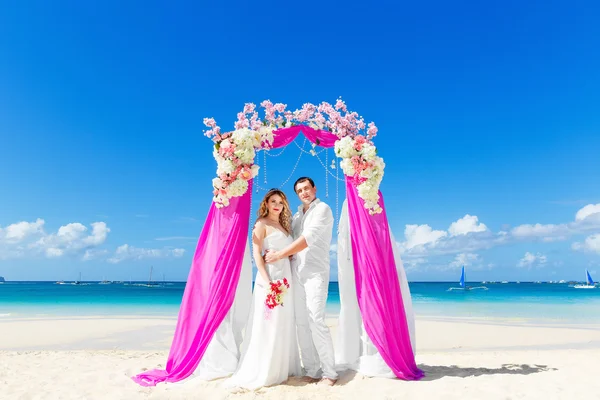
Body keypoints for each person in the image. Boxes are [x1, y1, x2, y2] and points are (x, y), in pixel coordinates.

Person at [224, 189, 302, 390]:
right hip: (270, 278)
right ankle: (265, 369)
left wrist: (288, 256)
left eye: (280, 202)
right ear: (266, 204)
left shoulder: (284, 227)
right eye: (273, 201)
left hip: (286, 277)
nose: (277, 205)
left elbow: (288, 251)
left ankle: (280, 368)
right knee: (268, 322)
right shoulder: (261, 224)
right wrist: (267, 282)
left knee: (283, 321)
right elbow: (257, 254)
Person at [264, 177, 338, 386]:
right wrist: (272, 250)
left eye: (307, 188)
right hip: (296, 274)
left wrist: (278, 255)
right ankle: (313, 369)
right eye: (299, 191)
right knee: (301, 323)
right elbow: (289, 241)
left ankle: (330, 372)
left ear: (314, 188)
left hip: (316, 273)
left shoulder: (322, 209)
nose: (304, 193)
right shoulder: (297, 216)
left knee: (316, 320)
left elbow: (306, 240)